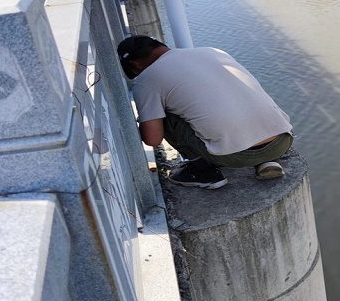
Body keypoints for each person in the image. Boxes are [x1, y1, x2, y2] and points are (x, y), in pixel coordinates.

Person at [117, 35, 293, 190]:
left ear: (135, 64)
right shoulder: (212, 51)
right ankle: (267, 160)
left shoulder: (146, 80)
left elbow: (153, 139)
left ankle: (203, 173)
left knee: (165, 116)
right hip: (282, 141)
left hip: (236, 156)